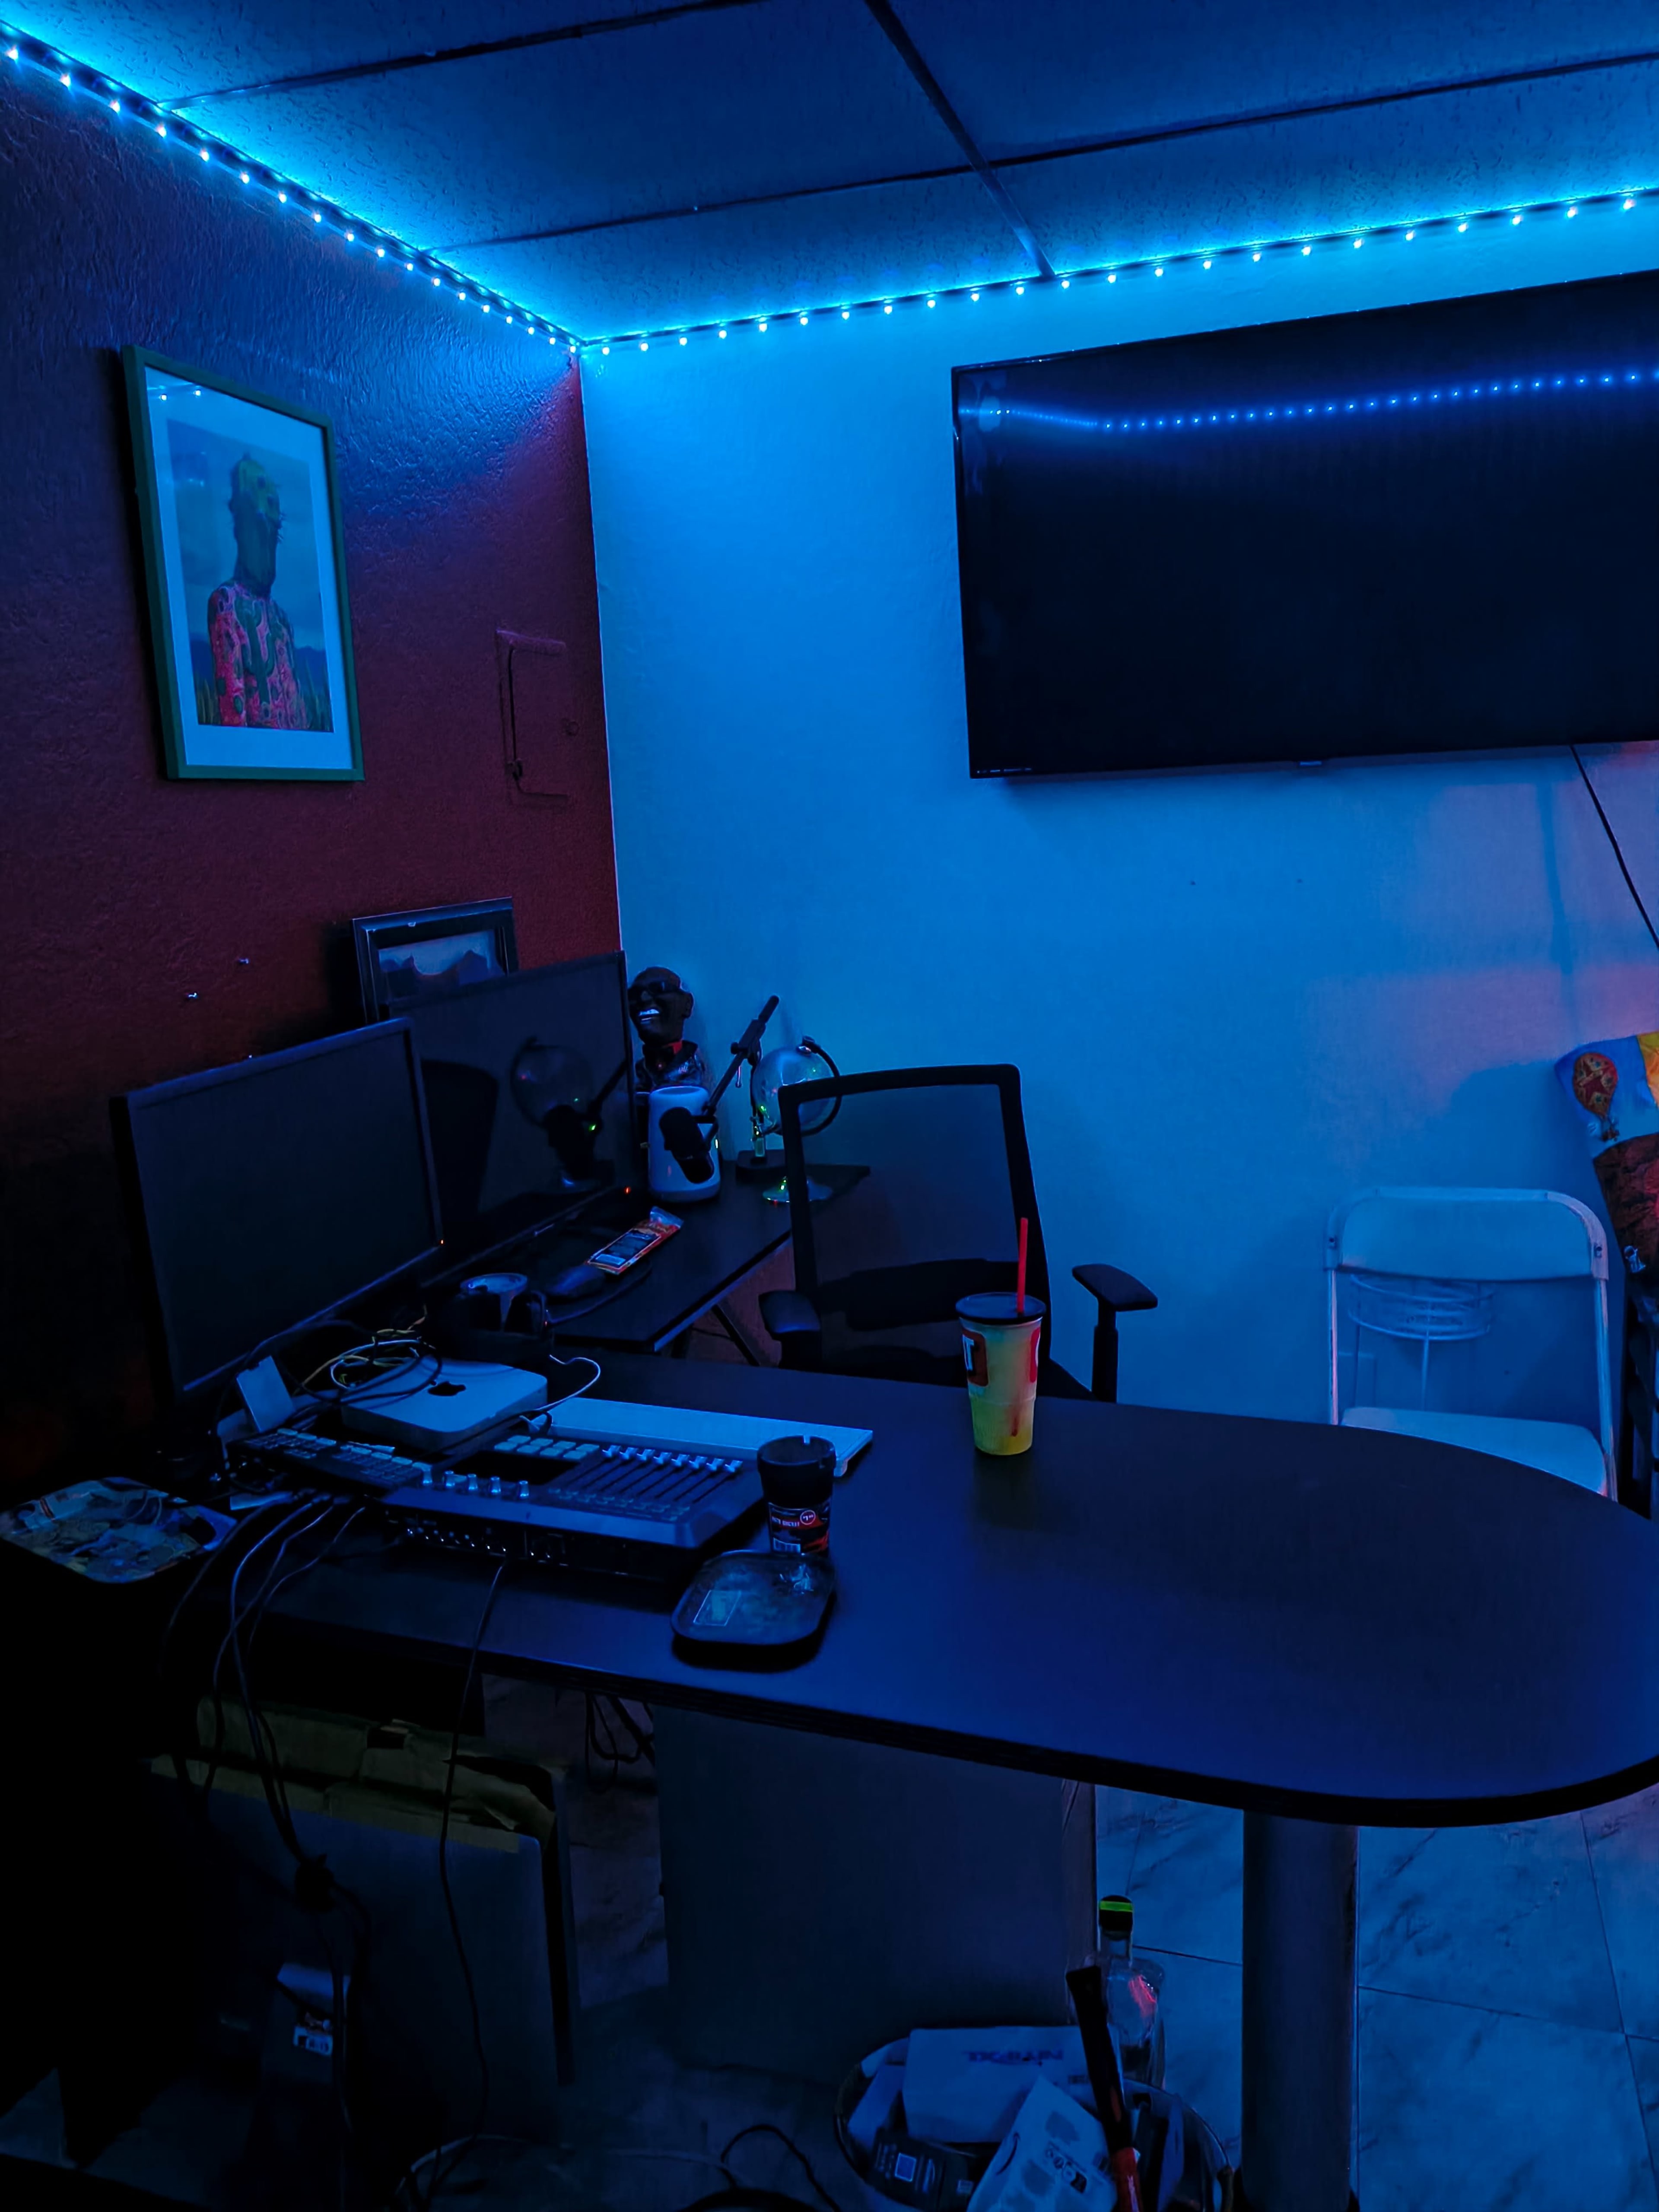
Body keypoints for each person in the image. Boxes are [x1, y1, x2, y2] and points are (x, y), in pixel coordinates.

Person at [207, 455, 308, 728]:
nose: (267, 546)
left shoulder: (281, 618)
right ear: (241, 528)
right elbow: (233, 715)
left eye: (273, 534)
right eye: (258, 527)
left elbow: (298, 709)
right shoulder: (226, 603)